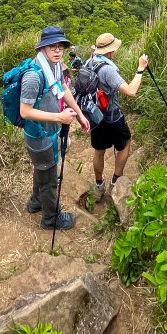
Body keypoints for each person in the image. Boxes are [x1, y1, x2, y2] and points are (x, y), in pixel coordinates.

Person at [20, 25, 90, 230]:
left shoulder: (56, 66)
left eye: (60, 46)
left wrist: (78, 112)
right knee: (50, 178)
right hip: (38, 136)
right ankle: (51, 219)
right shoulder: (34, 76)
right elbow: (25, 111)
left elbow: (64, 88)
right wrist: (59, 117)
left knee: (42, 169)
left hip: (49, 132)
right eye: (52, 46)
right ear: (42, 48)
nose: (57, 50)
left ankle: (36, 203)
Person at [86, 32, 148, 199]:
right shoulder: (108, 70)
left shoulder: (90, 62)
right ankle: (116, 180)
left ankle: (98, 185)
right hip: (112, 117)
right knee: (126, 142)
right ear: (111, 51)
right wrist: (140, 68)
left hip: (95, 115)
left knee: (99, 150)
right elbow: (131, 91)